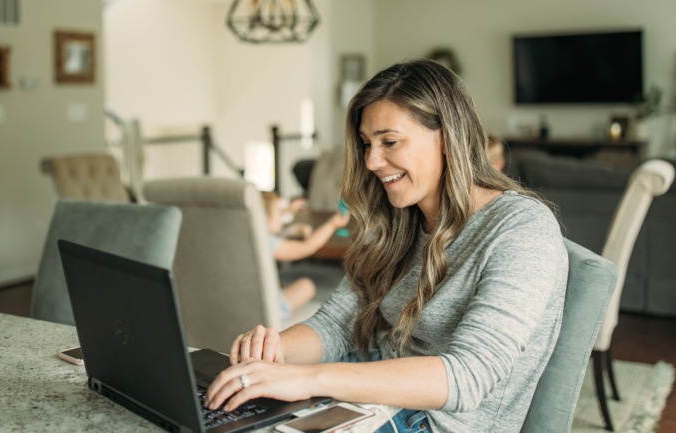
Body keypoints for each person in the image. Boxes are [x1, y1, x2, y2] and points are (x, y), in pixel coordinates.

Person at [205, 59, 568, 433]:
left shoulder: (522, 228)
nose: (372, 161)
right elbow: (336, 325)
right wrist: (269, 353)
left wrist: (309, 378)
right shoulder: (399, 220)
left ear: (446, 137)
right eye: (366, 144)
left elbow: (467, 376)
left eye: (389, 142)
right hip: (369, 403)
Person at [261, 191, 350, 319]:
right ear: (264, 217)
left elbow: (271, 221)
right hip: (269, 309)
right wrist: (333, 223)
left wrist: (288, 210)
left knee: (282, 284)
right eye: (278, 212)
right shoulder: (267, 240)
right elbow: (307, 247)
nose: (281, 216)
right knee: (306, 286)